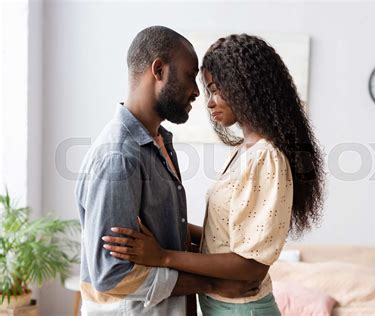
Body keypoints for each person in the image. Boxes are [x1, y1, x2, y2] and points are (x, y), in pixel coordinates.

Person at [102, 34, 325, 315]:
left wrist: (165, 256)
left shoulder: (266, 157)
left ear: (246, 88)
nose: (208, 101)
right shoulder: (246, 151)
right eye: (208, 90)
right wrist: (165, 229)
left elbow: (250, 266)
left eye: (216, 89)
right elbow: (222, 236)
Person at [75, 27, 260, 316]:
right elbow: (111, 275)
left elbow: (166, 231)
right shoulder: (118, 157)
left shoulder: (159, 142)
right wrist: (211, 284)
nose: (198, 91)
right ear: (158, 70)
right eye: (190, 76)